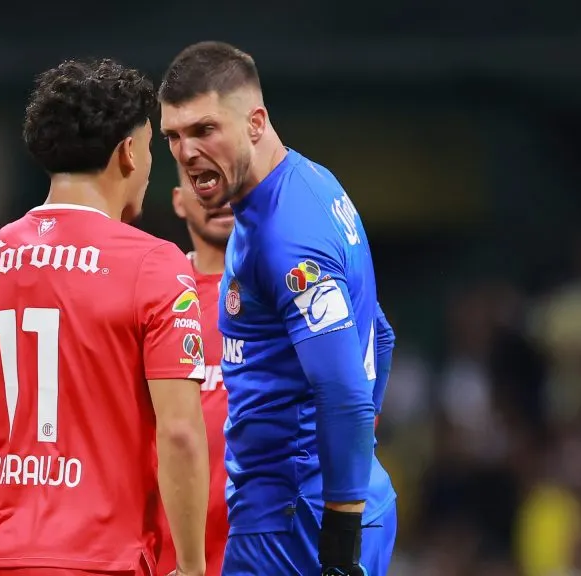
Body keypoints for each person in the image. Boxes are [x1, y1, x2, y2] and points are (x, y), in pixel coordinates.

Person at [0, 57, 210, 576]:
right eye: (148, 148)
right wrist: (191, 567)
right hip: (101, 560)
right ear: (127, 152)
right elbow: (182, 433)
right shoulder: (153, 264)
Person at [158, 41, 398, 576]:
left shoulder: (285, 237)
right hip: (313, 504)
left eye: (204, 129)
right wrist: (357, 473)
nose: (186, 151)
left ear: (255, 121)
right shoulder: (313, 184)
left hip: (293, 520)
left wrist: (338, 534)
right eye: (173, 136)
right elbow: (380, 335)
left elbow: (344, 394)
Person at [155, 167, 232, 576]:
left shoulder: (291, 293)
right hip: (173, 560)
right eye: (201, 182)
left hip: (268, 549)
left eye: (228, 180)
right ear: (177, 200)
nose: (218, 195)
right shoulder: (156, 296)